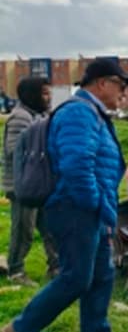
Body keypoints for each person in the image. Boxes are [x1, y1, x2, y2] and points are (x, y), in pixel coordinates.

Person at [2, 59, 128, 332]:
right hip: (74, 208)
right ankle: (20, 330)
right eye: (121, 85)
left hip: (90, 208)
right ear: (101, 83)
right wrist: (98, 205)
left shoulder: (92, 113)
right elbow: (77, 167)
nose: (124, 93)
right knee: (76, 277)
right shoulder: (79, 113)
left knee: (103, 274)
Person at [3, 76, 59, 286]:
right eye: (44, 93)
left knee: (51, 227)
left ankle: (56, 266)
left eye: (49, 92)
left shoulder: (41, 116)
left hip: (40, 184)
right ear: (32, 95)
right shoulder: (20, 117)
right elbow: (14, 150)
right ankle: (15, 271)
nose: (49, 97)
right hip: (22, 185)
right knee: (23, 230)